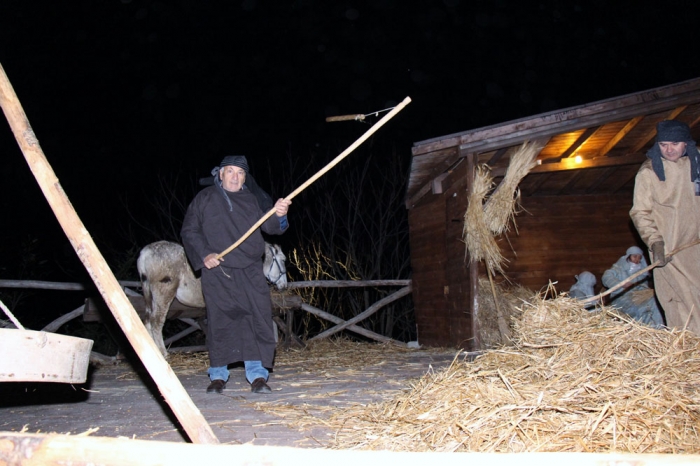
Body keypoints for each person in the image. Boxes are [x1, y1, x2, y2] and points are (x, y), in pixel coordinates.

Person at [181, 155, 291, 394]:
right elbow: (189, 230)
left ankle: (257, 376)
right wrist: (204, 255)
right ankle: (218, 376)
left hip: (250, 271)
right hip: (217, 272)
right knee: (221, 323)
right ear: (220, 174)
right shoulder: (205, 199)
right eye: (230, 171)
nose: (235, 177)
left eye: (240, 173)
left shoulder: (253, 200)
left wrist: (279, 214)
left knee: (257, 319)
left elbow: (272, 228)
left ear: (245, 177)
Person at [629, 119, 700, 335]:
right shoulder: (649, 173)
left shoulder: (696, 164)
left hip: (695, 246)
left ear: (686, 143)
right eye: (663, 144)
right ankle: (690, 348)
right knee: (681, 300)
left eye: (675, 144)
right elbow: (640, 212)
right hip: (669, 251)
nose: (669, 150)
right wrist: (655, 242)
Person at [601, 246, 664, 328]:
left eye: (639, 257)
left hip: (639, 297)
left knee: (654, 303)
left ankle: (658, 328)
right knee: (638, 309)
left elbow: (643, 288)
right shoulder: (619, 269)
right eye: (634, 256)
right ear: (628, 256)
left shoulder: (642, 272)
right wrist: (621, 284)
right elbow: (606, 277)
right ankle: (644, 328)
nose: (637, 260)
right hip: (621, 298)